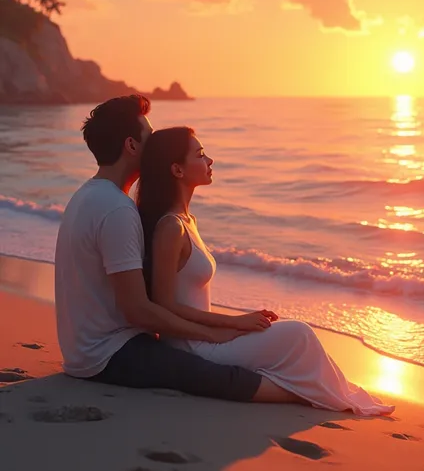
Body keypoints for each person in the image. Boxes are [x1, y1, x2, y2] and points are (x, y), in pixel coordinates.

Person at [54, 95, 300, 403]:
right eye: (150, 138)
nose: (156, 145)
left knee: (216, 360)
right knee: (217, 374)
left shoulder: (86, 195)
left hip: (84, 350)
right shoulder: (116, 208)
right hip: (109, 355)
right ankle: (303, 399)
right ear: (131, 146)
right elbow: (138, 311)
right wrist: (213, 333)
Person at [136, 126, 396, 416]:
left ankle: (337, 392)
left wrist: (232, 324)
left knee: (294, 335)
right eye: (199, 155)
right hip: (194, 348)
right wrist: (231, 325)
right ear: (177, 170)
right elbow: (164, 305)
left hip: (207, 337)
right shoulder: (170, 227)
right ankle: (334, 395)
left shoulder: (187, 221)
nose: (210, 161)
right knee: (298, 333)